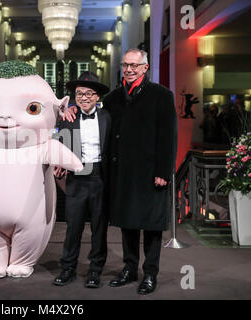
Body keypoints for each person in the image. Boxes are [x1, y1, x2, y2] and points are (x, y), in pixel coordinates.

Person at [64, 49, 177, 295]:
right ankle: (129, 268)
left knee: (151, 225)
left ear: (145, 68)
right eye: (126, 65)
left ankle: (150, 273)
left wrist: (163, 171)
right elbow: (91, 108)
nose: (129, 69)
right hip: (122, 174)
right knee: (128, 223)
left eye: (134, 65)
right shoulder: (114, 98)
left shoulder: (161, 95)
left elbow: (168, 137)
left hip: (150, 173)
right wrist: (71, 106)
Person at [53, 71, 111, 288]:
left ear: (97, 97)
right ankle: (67, 267)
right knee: (73, 226)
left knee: (99, 227)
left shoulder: (107, 117)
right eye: (79, 94)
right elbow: (60, 143)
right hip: (77, 175)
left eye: (89, 94)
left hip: (100, 176)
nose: (84, 97)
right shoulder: (68, 117)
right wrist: (59, 162)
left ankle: (95, 270)